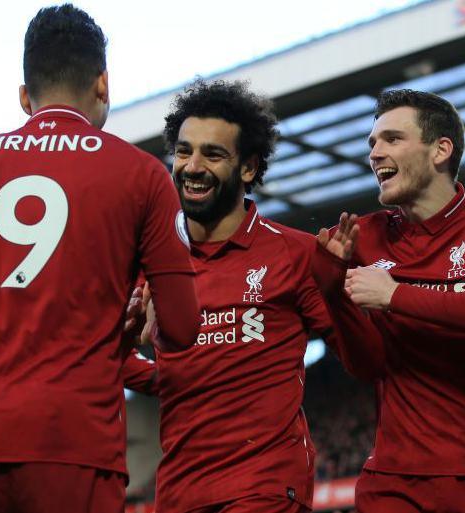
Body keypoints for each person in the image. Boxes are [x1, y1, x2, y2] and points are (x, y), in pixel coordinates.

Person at [0, 5, 199, 513]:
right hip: (73, 440)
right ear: (103, 83)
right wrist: (136, 324)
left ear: (22, 96)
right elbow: (184, 327)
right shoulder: (141, 176)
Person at [122, 79, 383, 513]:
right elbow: (114, 360)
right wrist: (143, 359)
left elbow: (369, 362)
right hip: (179, 491)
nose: (192, 166)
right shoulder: (152, 263)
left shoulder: (297, 253)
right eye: (184, 151)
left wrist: (336, 291)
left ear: (248, 167)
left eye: (213, 153)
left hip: (264, 485)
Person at [313, 89, 465, 513]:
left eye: (391, 139)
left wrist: (395, 294)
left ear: (441, 149)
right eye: (372, 144)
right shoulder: (361, 237)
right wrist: (336, 295)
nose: (375, 153)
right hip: (395, 482)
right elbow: (369, 365)